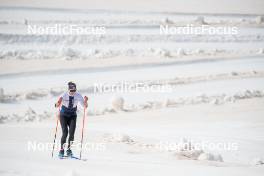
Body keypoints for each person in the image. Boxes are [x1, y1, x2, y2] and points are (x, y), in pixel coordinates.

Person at [55, 81, 88, 157]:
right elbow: (57, 105)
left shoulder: (78, 95)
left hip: (73, 115)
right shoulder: (64, 95)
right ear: (68, 90)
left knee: (72, 133)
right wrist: (58, 103)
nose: (73, 92)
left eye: (74, 90)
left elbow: (85, 107)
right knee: (65, 132)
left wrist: (86, 101)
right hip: (63, 115)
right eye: (71, 91)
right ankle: (61, 150)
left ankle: (69, 150)